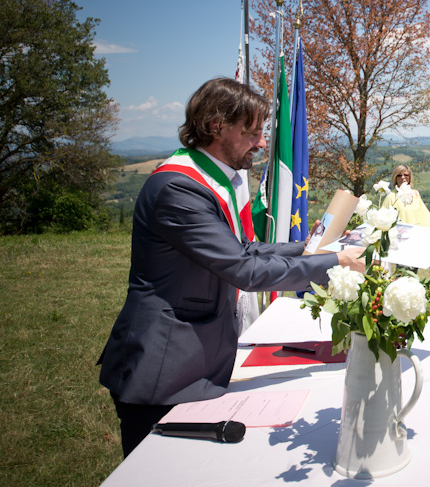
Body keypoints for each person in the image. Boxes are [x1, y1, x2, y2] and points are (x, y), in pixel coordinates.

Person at [98, 78, 364, 457]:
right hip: (163, 370)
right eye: (251, 132)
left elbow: (241, 248)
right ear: (215, 126)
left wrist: (305, 248)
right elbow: (244, 269)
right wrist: (334, 263)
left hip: (190, 362)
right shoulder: (180, 189)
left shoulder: (202, 178)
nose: (259, 143)